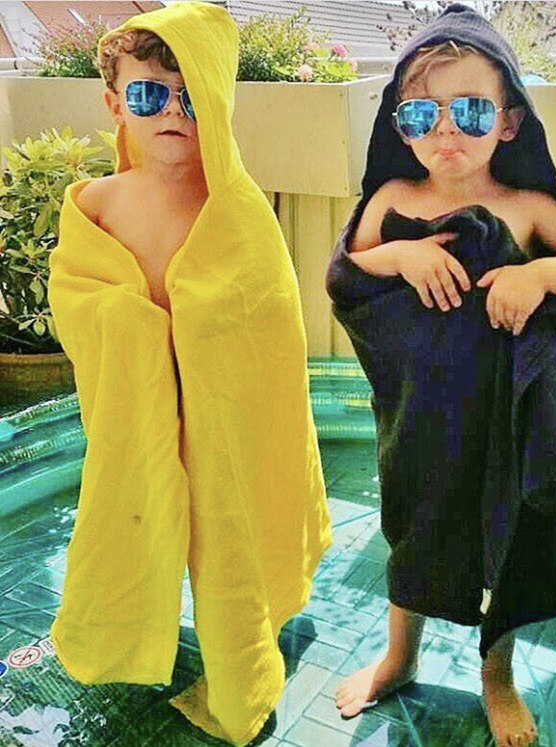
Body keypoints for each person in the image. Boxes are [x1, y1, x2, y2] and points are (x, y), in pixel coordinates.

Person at [325, 5, 556, 747]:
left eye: (470, 110)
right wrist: (400, 255)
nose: (446, 131)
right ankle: (399, 656)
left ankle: (497, 677)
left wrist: (537, 278)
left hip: (506, 422)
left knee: (509, 543)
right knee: (412, 531)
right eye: (421, 114)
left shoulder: (528, 207)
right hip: (418, 419)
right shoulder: (393, 202)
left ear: (510, 121)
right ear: (399, 126)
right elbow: (346, 273)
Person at [47, 3, 332, 745]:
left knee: (229, 548)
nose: (172, 111)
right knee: (130, 524)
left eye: (191, 96)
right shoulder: (98, 206)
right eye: (149, 95)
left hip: (222, 424)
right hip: (142, 413)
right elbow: (74, 297)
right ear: (115, 104)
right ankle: (121, 638)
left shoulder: (234, 210)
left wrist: (202, 321)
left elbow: (269, 323)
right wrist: (129, 320)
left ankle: (242, 680)